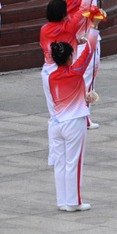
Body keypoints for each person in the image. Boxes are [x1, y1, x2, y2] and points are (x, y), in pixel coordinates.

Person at [48, 24, 100, 211]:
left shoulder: (52, 77)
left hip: (56, 123)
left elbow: (66, 96)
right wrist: (94, 27)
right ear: (70, 58)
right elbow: (90, 50)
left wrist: (83, 98)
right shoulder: (75, 71)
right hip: (74, 123)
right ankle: (74, 202)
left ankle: (62, 201)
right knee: (73, 162)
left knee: (61, 163)